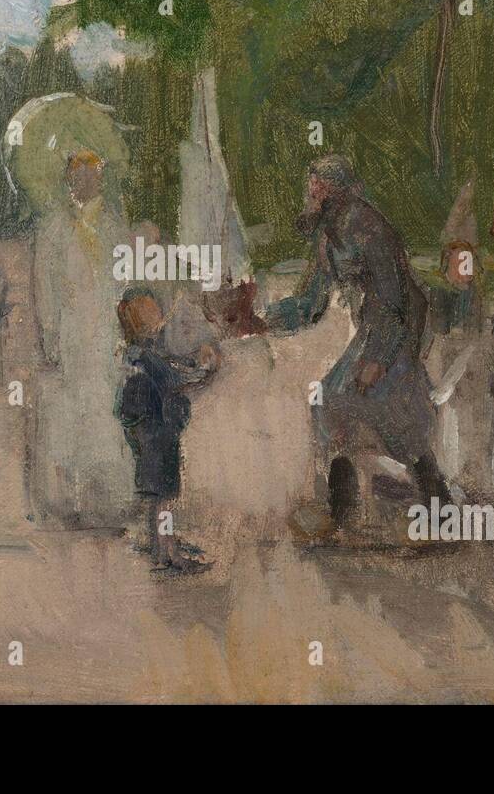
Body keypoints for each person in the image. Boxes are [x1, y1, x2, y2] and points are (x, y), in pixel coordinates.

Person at [262, 156, 450, 528]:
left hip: (399, 330)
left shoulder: (369, 227)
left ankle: (440, 513)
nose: (311, 193)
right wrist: (262, 318)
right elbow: (312, 303)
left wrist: (378, 359)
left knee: (400, 418)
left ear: (336, 190)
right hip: (373, 330)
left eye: (317, 186)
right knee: (332, 406)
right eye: (311, 185)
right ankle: (342, 512)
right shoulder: (328, 236)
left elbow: (393, 298)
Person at [30, 150, 135, 527]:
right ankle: (68, 500)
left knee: (106, 410)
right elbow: (44, 286)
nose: (86, 181)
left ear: (100, 178)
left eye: (93, 174)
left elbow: (126, 285)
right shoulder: (54, 229)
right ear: (69, 179)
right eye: (79, 174)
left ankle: (108, 500)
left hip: (107, 332)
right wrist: (50, 335)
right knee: (69, 413)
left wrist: (127, 331)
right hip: (71, 332)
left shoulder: (113, 227)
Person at [115, 287, 216, 573]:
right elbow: (178, 378)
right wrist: (207, 369)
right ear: (141, 318)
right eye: (152, 311)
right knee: (165, 498)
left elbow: (172, 367)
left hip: (150, 434)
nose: (160, 314)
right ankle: (169, 555)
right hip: (158, 435)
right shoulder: (146, 355)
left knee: (161, 497)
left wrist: (193, 360)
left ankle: (165, 550)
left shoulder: (140, 353)